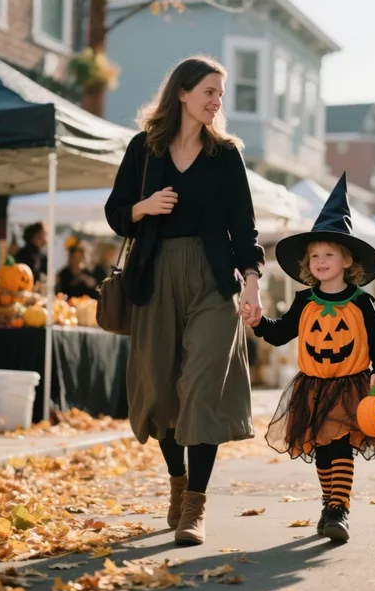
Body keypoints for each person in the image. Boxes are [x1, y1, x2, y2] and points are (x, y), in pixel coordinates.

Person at [104, 56, 264, 546]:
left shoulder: (226, 155)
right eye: (209, 92)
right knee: (161, 391)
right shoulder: (144, 149)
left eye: (220, 94)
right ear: (182, 93)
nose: (217, 102)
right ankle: (177, 482)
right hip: (155, 279)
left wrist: (253, 282)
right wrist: (144, 207)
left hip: (214, 282)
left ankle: (194, 505)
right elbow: (115, 213)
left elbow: (245, 225)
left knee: (202, 386)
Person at [248, 174, 375, 544]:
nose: (321, 261)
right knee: (321, 449)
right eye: (315, 256)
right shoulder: (305, 300)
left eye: (329, 254)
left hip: (350, 384)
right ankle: (329, 502)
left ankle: (339, 509)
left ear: (347, 260)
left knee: (340, 443)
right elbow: (282, 332)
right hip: (312, 385)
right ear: (307, 263)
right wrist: (258, 323)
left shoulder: (361, 301)